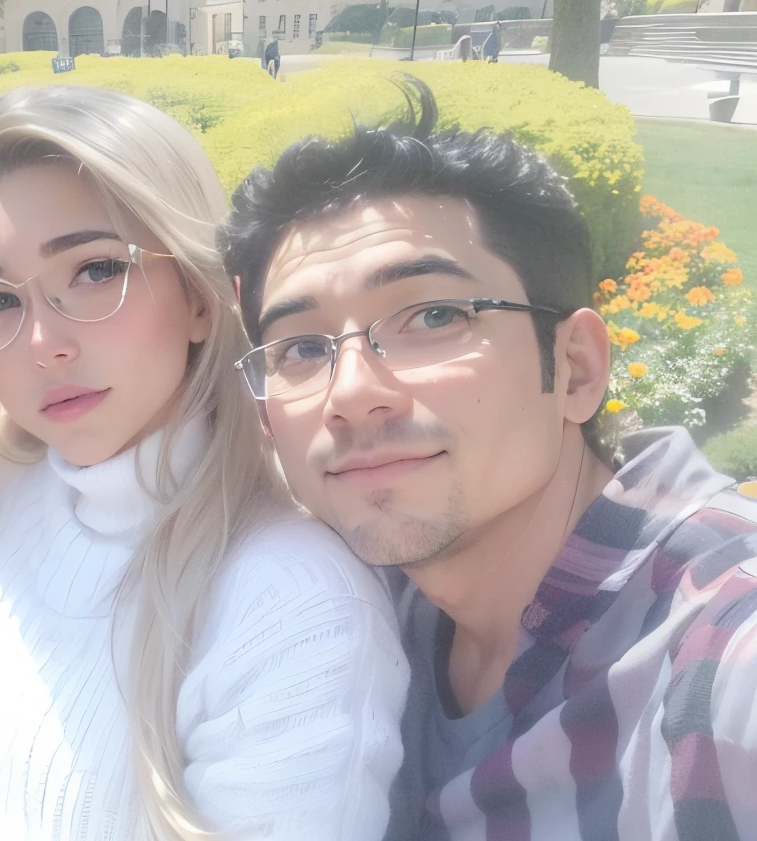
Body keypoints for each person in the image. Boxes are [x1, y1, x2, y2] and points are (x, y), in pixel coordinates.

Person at [0, 84, 408, 841]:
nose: (42, 342)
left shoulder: (297, 606)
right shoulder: (7, 496)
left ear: (199, 297)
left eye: (94, 271)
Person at [220, 76, 757, 841]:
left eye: (434, 315)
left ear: (574, 367)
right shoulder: (363, 609)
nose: (351, 393)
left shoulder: (715, 654)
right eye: (303, 347)